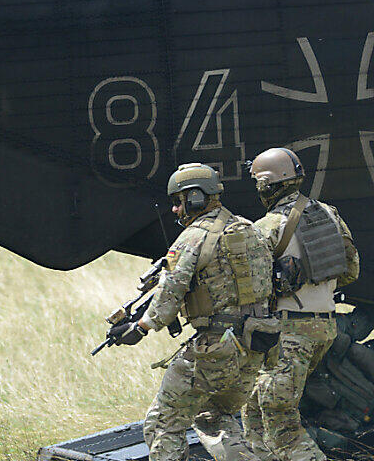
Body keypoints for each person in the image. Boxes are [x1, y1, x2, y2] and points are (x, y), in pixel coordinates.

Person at [107, 162, 273, 461]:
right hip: (257, 343)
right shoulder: (249, 229)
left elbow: (172, 290)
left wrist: (141, 327)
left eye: (178, 201)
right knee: (215, 417)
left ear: (195, 198)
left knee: (163, 423)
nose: (175, 210)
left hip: (216, 347)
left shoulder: (194, 236)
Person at [242, 147, 360, 461]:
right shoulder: (330, 214)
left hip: (290, 334)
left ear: (267, 185)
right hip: (325, 326)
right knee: (254, 407)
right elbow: (351, 270)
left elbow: (251, 290)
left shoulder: (266, 227)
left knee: (282, 424)